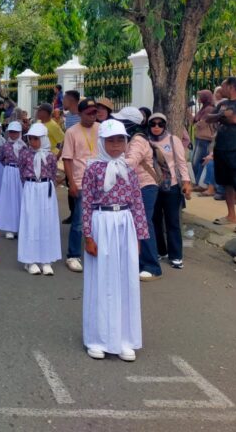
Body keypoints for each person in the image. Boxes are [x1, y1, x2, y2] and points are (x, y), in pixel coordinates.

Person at [82, 119, 149, 362]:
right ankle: (98, 338)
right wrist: (88, 236)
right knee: (102, 279)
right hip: (102, 223)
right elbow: (87, 203)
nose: (115, 145)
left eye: (120, 140)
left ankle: (125, 338)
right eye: (110, 140)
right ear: (101, 142)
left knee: (124, 279)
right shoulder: (93, 169)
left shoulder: (130, 169)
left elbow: (138, 204)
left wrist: (140, 236)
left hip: (125, 224)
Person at [116, 106, 162, 281]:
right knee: (135, 224)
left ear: (130, 123)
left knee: (143, 224)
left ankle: (152, 266)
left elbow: (132, 161)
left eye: (122, 121)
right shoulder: (129, 138)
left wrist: (109, 166)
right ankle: (137, 261)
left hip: (146, 186)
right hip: (135, 187)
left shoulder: (138, 141)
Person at [206, 77, 236, 233]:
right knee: (226, 183)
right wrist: (222, 114)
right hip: (221, 149)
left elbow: (235, 119)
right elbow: (207, 118)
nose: (221, 89)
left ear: (232, 86)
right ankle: (231, 215)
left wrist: (220, 116)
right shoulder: (222, 104)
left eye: (224, 86)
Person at [148, 113, 192, 269]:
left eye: (160, 124)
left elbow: (181, 163)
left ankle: (176, 256)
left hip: (171, 186)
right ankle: (161, 251)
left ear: (165, 126)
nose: (156, 127)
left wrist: (186, 182)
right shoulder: (145, 141)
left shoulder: (173, 140)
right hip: (152, 186)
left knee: (172, 222)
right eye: (153, 124)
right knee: (154, 220)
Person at [61, 99, 100, 273]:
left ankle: (98, 251)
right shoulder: (71, 132)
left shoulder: (102, 129)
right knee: (79, 221)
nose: (93, 116)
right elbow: (67, 159)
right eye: (89, 113)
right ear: (80, 114)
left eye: (95, 112)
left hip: (101, 181)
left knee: (99, 220)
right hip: (81, 180)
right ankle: (73, 255)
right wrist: (72, 184)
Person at [17, 123, 60, 275]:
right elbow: (21, 170)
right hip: (30, 187)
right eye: (31, 139)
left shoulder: (50, 156)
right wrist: (30, 185)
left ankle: (46, 259)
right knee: (31, 221)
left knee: (46, 221)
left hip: (46, 188)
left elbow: (54, 172)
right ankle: (30, 260)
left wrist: (46, 184)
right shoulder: (25, 154)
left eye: (36, 139)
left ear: (43, 139)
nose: (33, 142)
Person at [0, 121, 25, 240]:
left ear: (20, 133)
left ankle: (21, 227)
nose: (13, 134)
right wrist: (9, 168)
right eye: (11, 132)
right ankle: (9, 228)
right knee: (9, 199)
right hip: (9, 172)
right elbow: (1, 158)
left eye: (15, 132)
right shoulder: (5, 145)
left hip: (21, 173)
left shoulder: (24, 146)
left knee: (20, 198)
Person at [191, 90, 217, 179]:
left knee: (198, 161)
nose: (198, 98)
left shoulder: (209, 109)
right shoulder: (203, 108)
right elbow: (193, 121)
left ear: (205, 98)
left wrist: (196, 124)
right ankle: (197, 181)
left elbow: (203, 124)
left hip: (205, 139)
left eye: (200, 96)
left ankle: (198, 181)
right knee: (194, 161)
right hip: (199, 137)